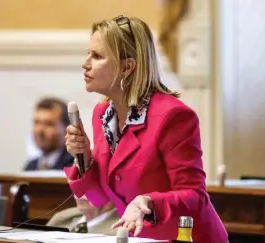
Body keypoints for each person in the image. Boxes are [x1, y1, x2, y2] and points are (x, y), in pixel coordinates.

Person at [63, 15, 228, 242]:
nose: (86, 63)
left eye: (97, 56)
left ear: (127, 67)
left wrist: (148, 201)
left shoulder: (173, 116)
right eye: (88, 53)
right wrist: (84, 157)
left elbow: (195, 197)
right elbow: (100, 199)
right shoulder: (102, 114)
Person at [24, 98, 74, 171]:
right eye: (37, 123)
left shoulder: (75, 166)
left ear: (67, 129)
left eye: (49, 124)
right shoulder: (31, 166)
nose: (39, 130)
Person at [47, 195, 118, 235]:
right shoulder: (62, 217)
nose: (79, 193)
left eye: (88, 187)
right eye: (77, 186)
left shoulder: (119, 231)